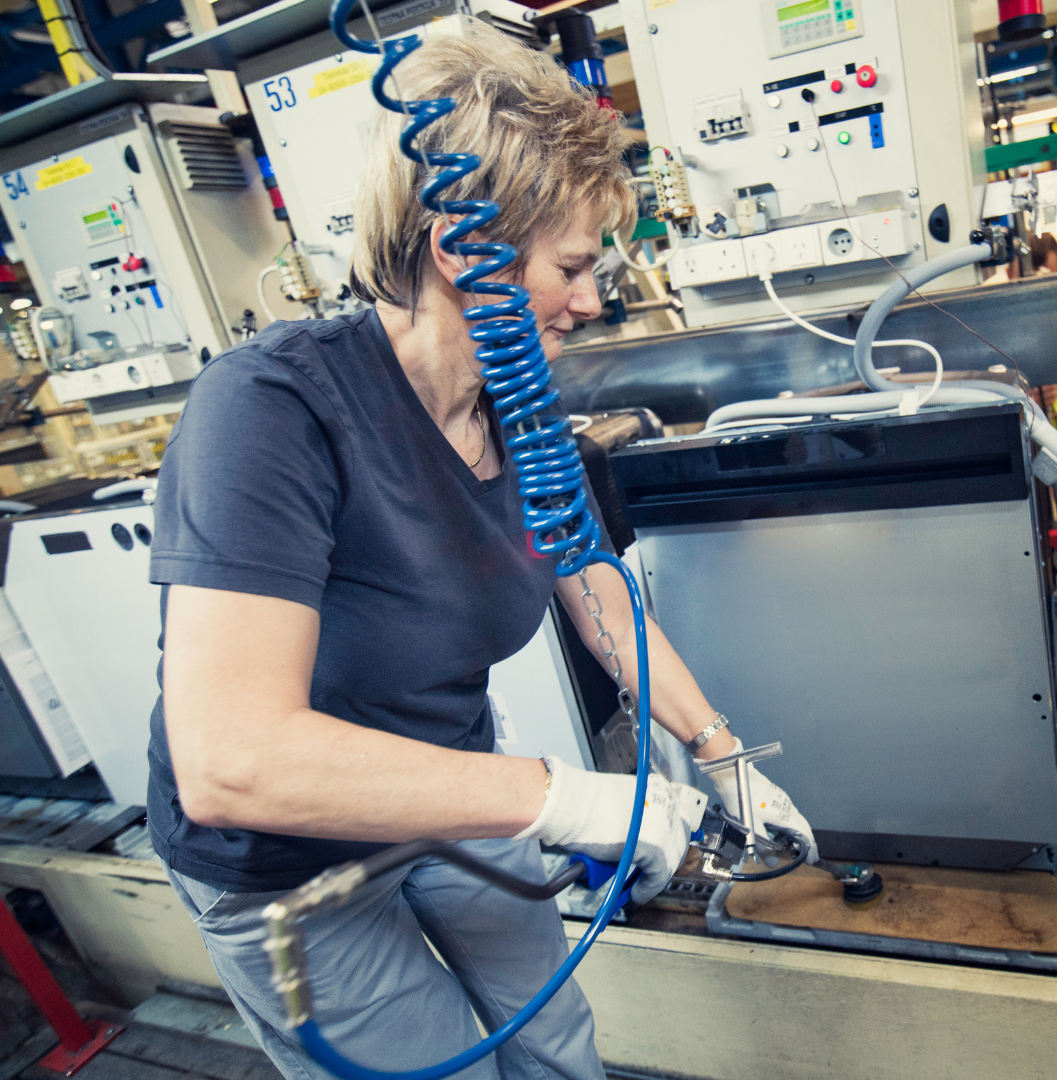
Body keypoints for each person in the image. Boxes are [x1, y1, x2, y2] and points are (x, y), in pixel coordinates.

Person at [145, 27, 816, 1080]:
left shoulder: (521, 409)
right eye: (571, 267)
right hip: (292, 860)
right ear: (464, 250)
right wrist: (572, 798)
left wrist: (722, 753)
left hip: (455, 793)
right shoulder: (271, 408)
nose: (592, 300)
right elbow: (236, 763)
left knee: (554, 1038)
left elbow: (598, 593)